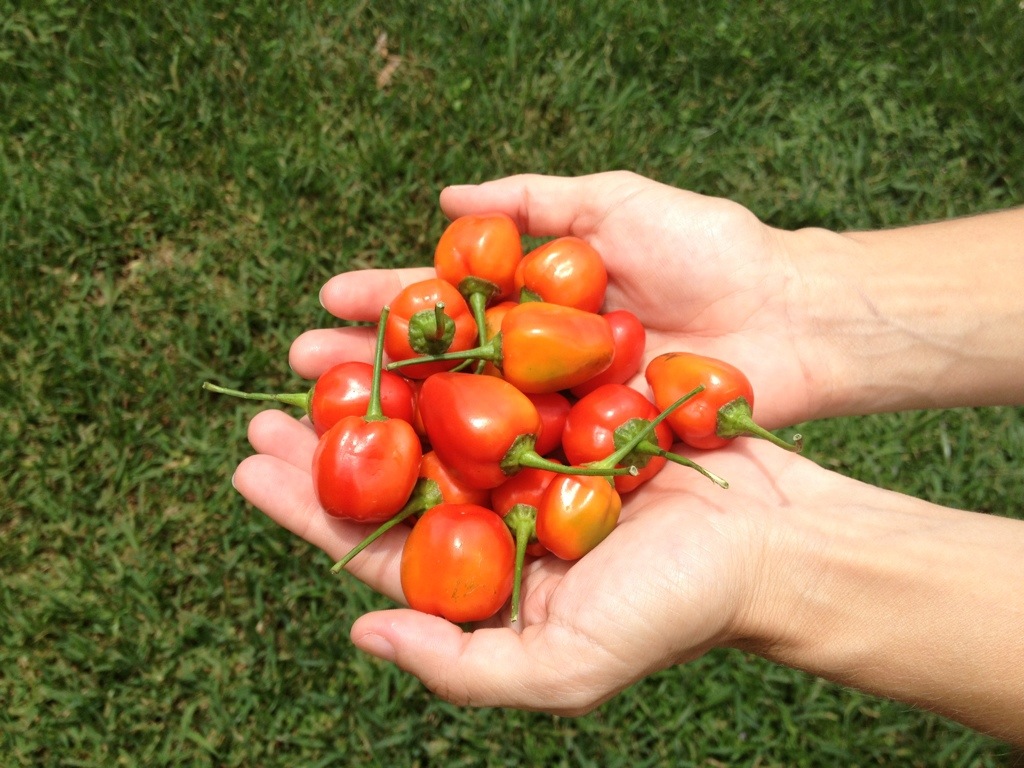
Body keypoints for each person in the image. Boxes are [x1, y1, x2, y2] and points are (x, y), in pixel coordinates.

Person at [230, 172, 1024, 746]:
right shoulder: (484, 395)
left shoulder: (504, 376)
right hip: (524, 449)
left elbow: (527, 396)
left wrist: (765, 564)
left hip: (532, 447)